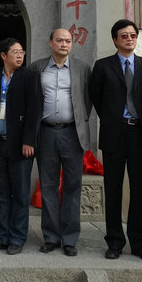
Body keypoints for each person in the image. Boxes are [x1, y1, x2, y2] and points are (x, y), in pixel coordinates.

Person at [89, 19, 142, 261]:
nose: (129, 39)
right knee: (113, 188)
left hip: (138, 133)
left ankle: (139, 243)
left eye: (133, 35)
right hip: (114, 133)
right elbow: (96, 96)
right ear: (115, 40)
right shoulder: (103, 66)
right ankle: (115, 241)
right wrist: (112, 118)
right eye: (124, 36)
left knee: (138, 189)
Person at [30, 28, 92, 257]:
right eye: (59, 40)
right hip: (45, 132)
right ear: (50, 43)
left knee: (73, 185)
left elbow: (87, 100)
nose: (64, 44)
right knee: (48, 185)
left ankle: (70, 238)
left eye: (68, 41)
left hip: (72, 133)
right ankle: (51, 237)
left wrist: (77, 122)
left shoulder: (82, 68)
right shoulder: (37, 67)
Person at [0, 38, 42, 255]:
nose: (19, 55)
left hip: (20, 145)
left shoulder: (30, 77)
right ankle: (1, 236)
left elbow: (35, 110)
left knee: (20, 194)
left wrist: (29, 140)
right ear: (3, 55)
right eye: (15, 52)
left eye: (21, 52)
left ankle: (17, 237)